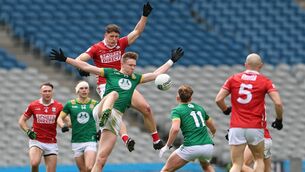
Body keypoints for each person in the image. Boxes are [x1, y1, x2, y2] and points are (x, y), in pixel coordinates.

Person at [49, 47, 184, 171]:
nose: (133, 68)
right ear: (122, 64)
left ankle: (106, 120)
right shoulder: (110, 72)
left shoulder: (135, 78)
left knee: (101, 159)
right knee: (114, 94)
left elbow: (155, 74)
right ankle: (106, 113)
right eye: (130, 65)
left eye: (134, 66)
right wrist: (66, 59)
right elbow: (86, 66)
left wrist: (171, 61)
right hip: (101, 109)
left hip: (114, 119)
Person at [72, 2, 159, 152]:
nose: (114, 39)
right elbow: (80, 58)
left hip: (124, 82)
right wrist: (80, 67)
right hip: (106, 84)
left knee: (146, 108)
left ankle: (156, 140)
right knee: (113, 113)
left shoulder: (121, 44)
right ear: (105, 35)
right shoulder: (97, 47)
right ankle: (123, 137)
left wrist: (144, 16)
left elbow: (137, 32)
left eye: (116, 36)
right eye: (111, 36)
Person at [215, 53, 284, 172]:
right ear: (261, 66)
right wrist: (279, 120)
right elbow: (278, 103)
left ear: (245, 65)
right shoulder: (265, 81)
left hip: (236, 126)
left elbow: (218, 99)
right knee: (258, 160)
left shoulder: (233, 78)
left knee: (236, 164)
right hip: (256, 127)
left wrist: (226, 110)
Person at [159, 84, 216, 172]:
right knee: (206, 167)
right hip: (207, 146)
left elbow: (175, 129)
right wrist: (213, 132)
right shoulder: (199, 108)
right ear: (190, 98)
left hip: (191, 147)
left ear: (177, 97)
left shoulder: (177, 110)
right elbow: (211, 125)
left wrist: (167, 145)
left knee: (166, 170)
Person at [18, 82, 63, 172]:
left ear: (52, 92)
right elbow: (21, 121)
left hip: (51, 142)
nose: (47, 93)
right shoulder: (33, 105)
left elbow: (65, 120)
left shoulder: (59, 106)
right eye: (45, 91)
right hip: (37, 140)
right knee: (34, 163)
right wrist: (28, 131)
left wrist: (67, 125)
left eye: (49, 91)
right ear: (41, 92)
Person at [57, 81, 98, 172]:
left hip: (90, 139)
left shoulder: (95, 104)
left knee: (89, 167)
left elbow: (104, 118)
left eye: (86, 88)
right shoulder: (70, 104)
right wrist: (62, 125)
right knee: (83, 170)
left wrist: (101, 131)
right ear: (77, 91)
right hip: (76, 141)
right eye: (81, 88)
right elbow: (59, 118)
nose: (84, 90)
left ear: (89, 90)